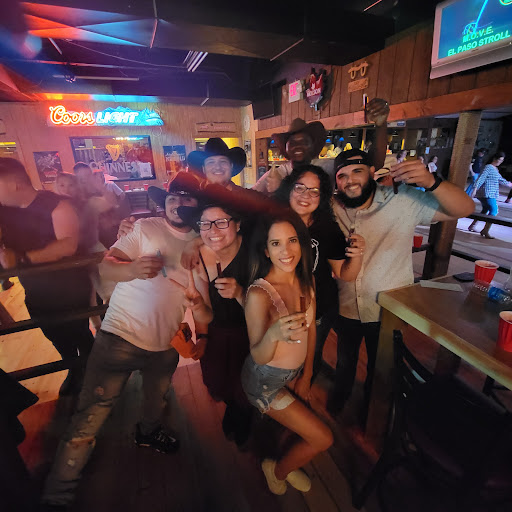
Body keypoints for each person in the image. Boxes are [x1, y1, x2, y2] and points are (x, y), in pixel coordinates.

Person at [41, 173, 213, 509]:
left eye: (186, 198)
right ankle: (56, 495)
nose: (177, 204)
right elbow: (107, 268)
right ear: (164, 202)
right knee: (88, 420)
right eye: (172, 197)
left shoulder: (205, 241)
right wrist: (132, 270)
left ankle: (147, 432)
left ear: (198, 206)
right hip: (118, 339)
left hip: (164, 346)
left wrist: (201, 326)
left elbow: (204, 304)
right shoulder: (147, 227)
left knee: (155, 401)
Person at [329, 148, 475, 421]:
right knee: (346, 359)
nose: (350, 181)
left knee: (382, 368)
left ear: (372, 172)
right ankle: (338, 400)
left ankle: (370, 415)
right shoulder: (333, 206)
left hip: (387, 308)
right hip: (346, 302)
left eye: (357, 171)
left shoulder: (403, 200)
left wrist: (431, 182)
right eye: (342, 176)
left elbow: (466, 208)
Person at [241, 211, 333, 495]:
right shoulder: (259, 294)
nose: (286, 250)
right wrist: (273, 334)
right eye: (276, 243)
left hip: (294, 372)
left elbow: (311, 330)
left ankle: (283, 459)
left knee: (297, 425)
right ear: (266, 251)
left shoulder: (307, 280)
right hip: (264, 382)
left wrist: (306, 375)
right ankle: (278, 470)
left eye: (292, 240)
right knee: (323, 438)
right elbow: (258, 356)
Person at [0, 158, 94, 396]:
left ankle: (90, 368)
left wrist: (22, 259)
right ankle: (73, 366)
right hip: (34, 289)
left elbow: (68, 245)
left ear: (12, 184)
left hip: (69, 287)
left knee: (78, 331)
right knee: (52, 333)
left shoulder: (58, 206)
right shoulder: (5, 210)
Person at [273, 165, 365, 379]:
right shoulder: (271, 222)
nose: (305, 196)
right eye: (300, 187)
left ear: (322, 197)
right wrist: (197, 243)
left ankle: (305, 386)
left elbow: (345, 274)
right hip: (279, 306)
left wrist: (357, 255)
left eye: (314, 191)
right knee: (280, 356)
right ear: (289, 189)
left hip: (319, 308)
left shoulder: (327, 228)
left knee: (310, 356)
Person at [178, 203, 253, 446]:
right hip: (219, 332)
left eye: (221, 222)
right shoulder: (199, 257)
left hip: (253, 333)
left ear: (238, 224)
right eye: (205, 223)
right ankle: (234, 407)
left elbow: (269, 309)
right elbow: (207, 315)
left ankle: (244, 414)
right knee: (220, 382)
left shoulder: (255, 251)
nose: (213, 231)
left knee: (247, 384)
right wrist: (198, 309)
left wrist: (240, 293)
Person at [254, 99, 389, 192]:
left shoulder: (327, 167)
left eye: (304, 142)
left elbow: (374, 163)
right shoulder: (276, 174)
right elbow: (250, 197)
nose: (298, 146)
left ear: (313, 146)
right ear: (286, 148)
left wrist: (381, 125)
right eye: (293, 143)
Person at [468, 152, 512, 239]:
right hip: (487, 193)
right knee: (494, 210)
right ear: (494, 158)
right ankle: (485, 230)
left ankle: (472, 226)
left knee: (485, 210)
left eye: (502, 160)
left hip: (490, 193)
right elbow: (481, 178)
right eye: (499, 160)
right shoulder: (488, 167)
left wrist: (509, 184)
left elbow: (500, 179)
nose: (500, 162)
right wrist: (475, 189)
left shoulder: (495, 169)